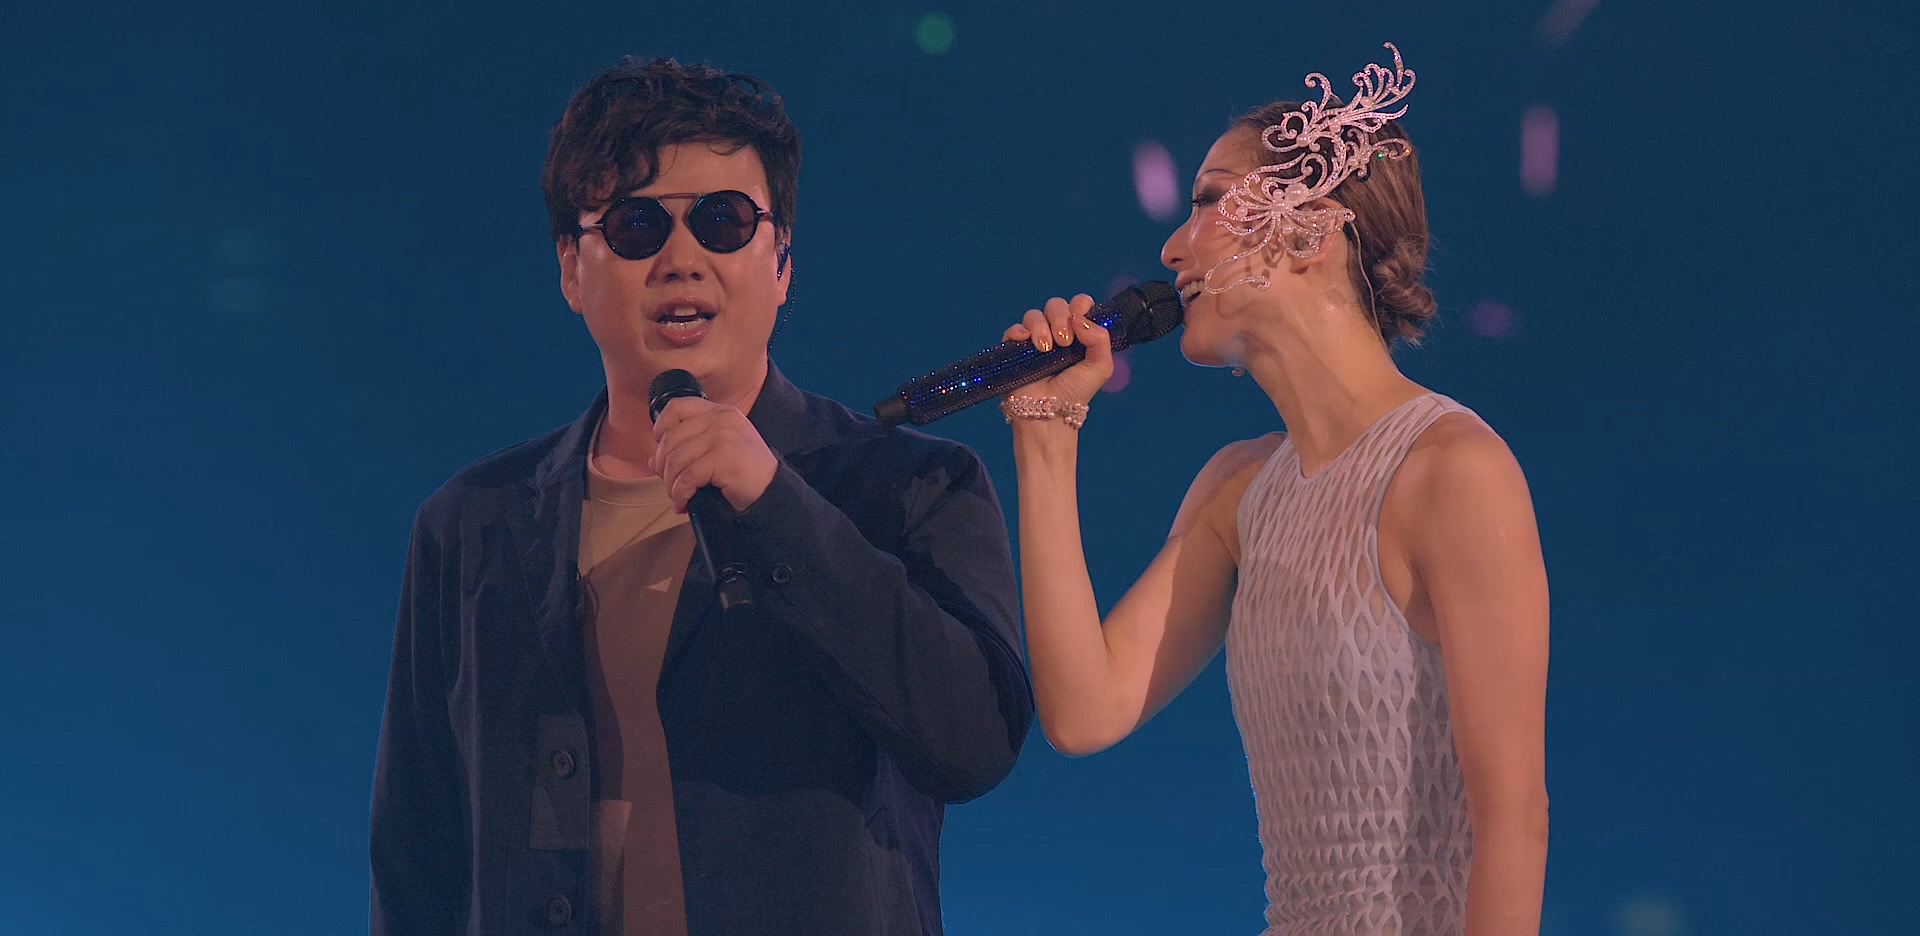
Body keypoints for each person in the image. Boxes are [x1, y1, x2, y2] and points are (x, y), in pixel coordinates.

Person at [369, 57, 1033, 936]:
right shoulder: (470, 524)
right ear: (571, 269)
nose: (682, 261)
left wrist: (774, 501)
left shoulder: (908, 485)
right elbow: (417, 858)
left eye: (723, 222)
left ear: (783, 262)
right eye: (637, 226)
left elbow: (972, 743)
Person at [998, 46, 1549, 934]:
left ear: (1308, 231)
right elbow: (1084, 710)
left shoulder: (1452, 471)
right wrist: (1045, 433)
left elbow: (1515, 816)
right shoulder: (1238, 492)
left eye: (1209, 201)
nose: (1172, 248)